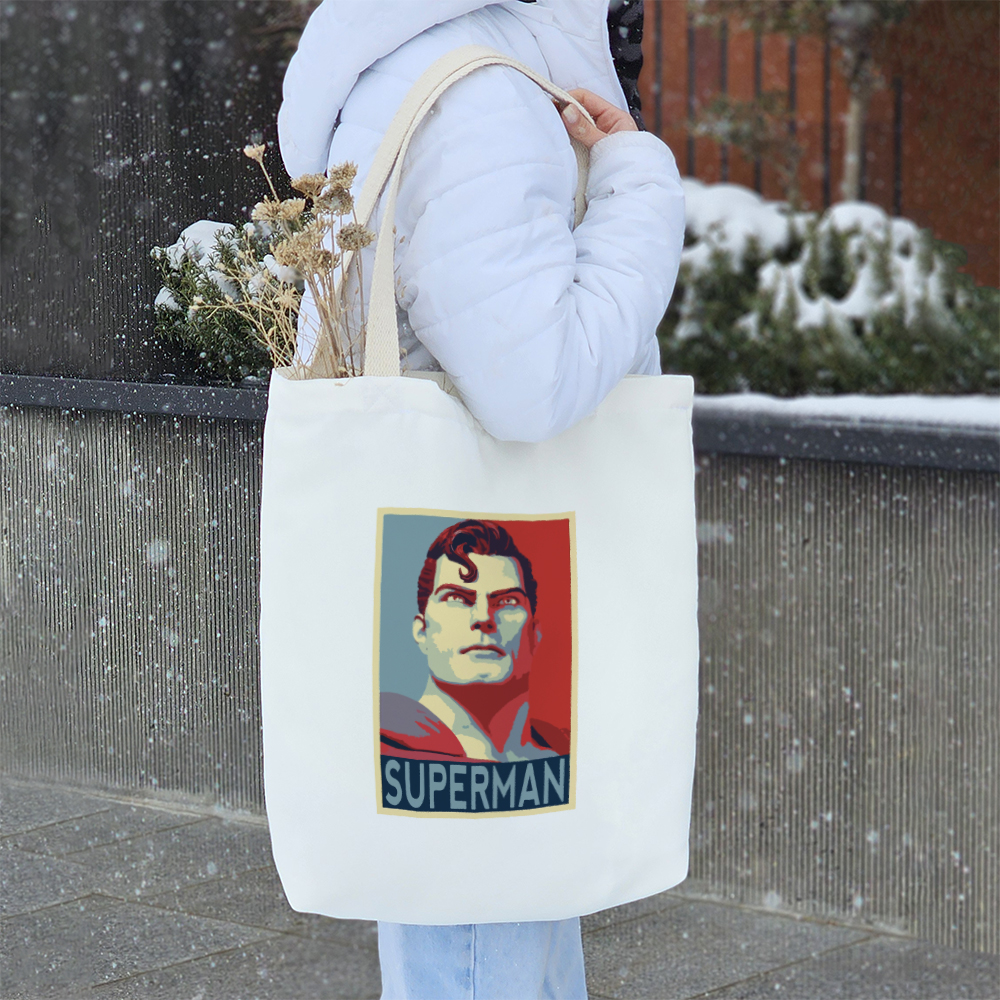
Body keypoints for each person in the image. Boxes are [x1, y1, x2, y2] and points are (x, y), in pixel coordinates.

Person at [278, 1, 684, 996]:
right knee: (483, 923)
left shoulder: (432, 60)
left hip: (450, 545)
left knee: (490, 902)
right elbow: (532, 384)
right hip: (496, 529)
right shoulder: (480, 95)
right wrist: (637, 185)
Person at [380, 518, 568, 763]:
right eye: (456, 598)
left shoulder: (573, 754)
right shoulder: (374, 746)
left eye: (507, 601)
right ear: (422, 630)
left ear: (535, 634)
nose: (483, 617)